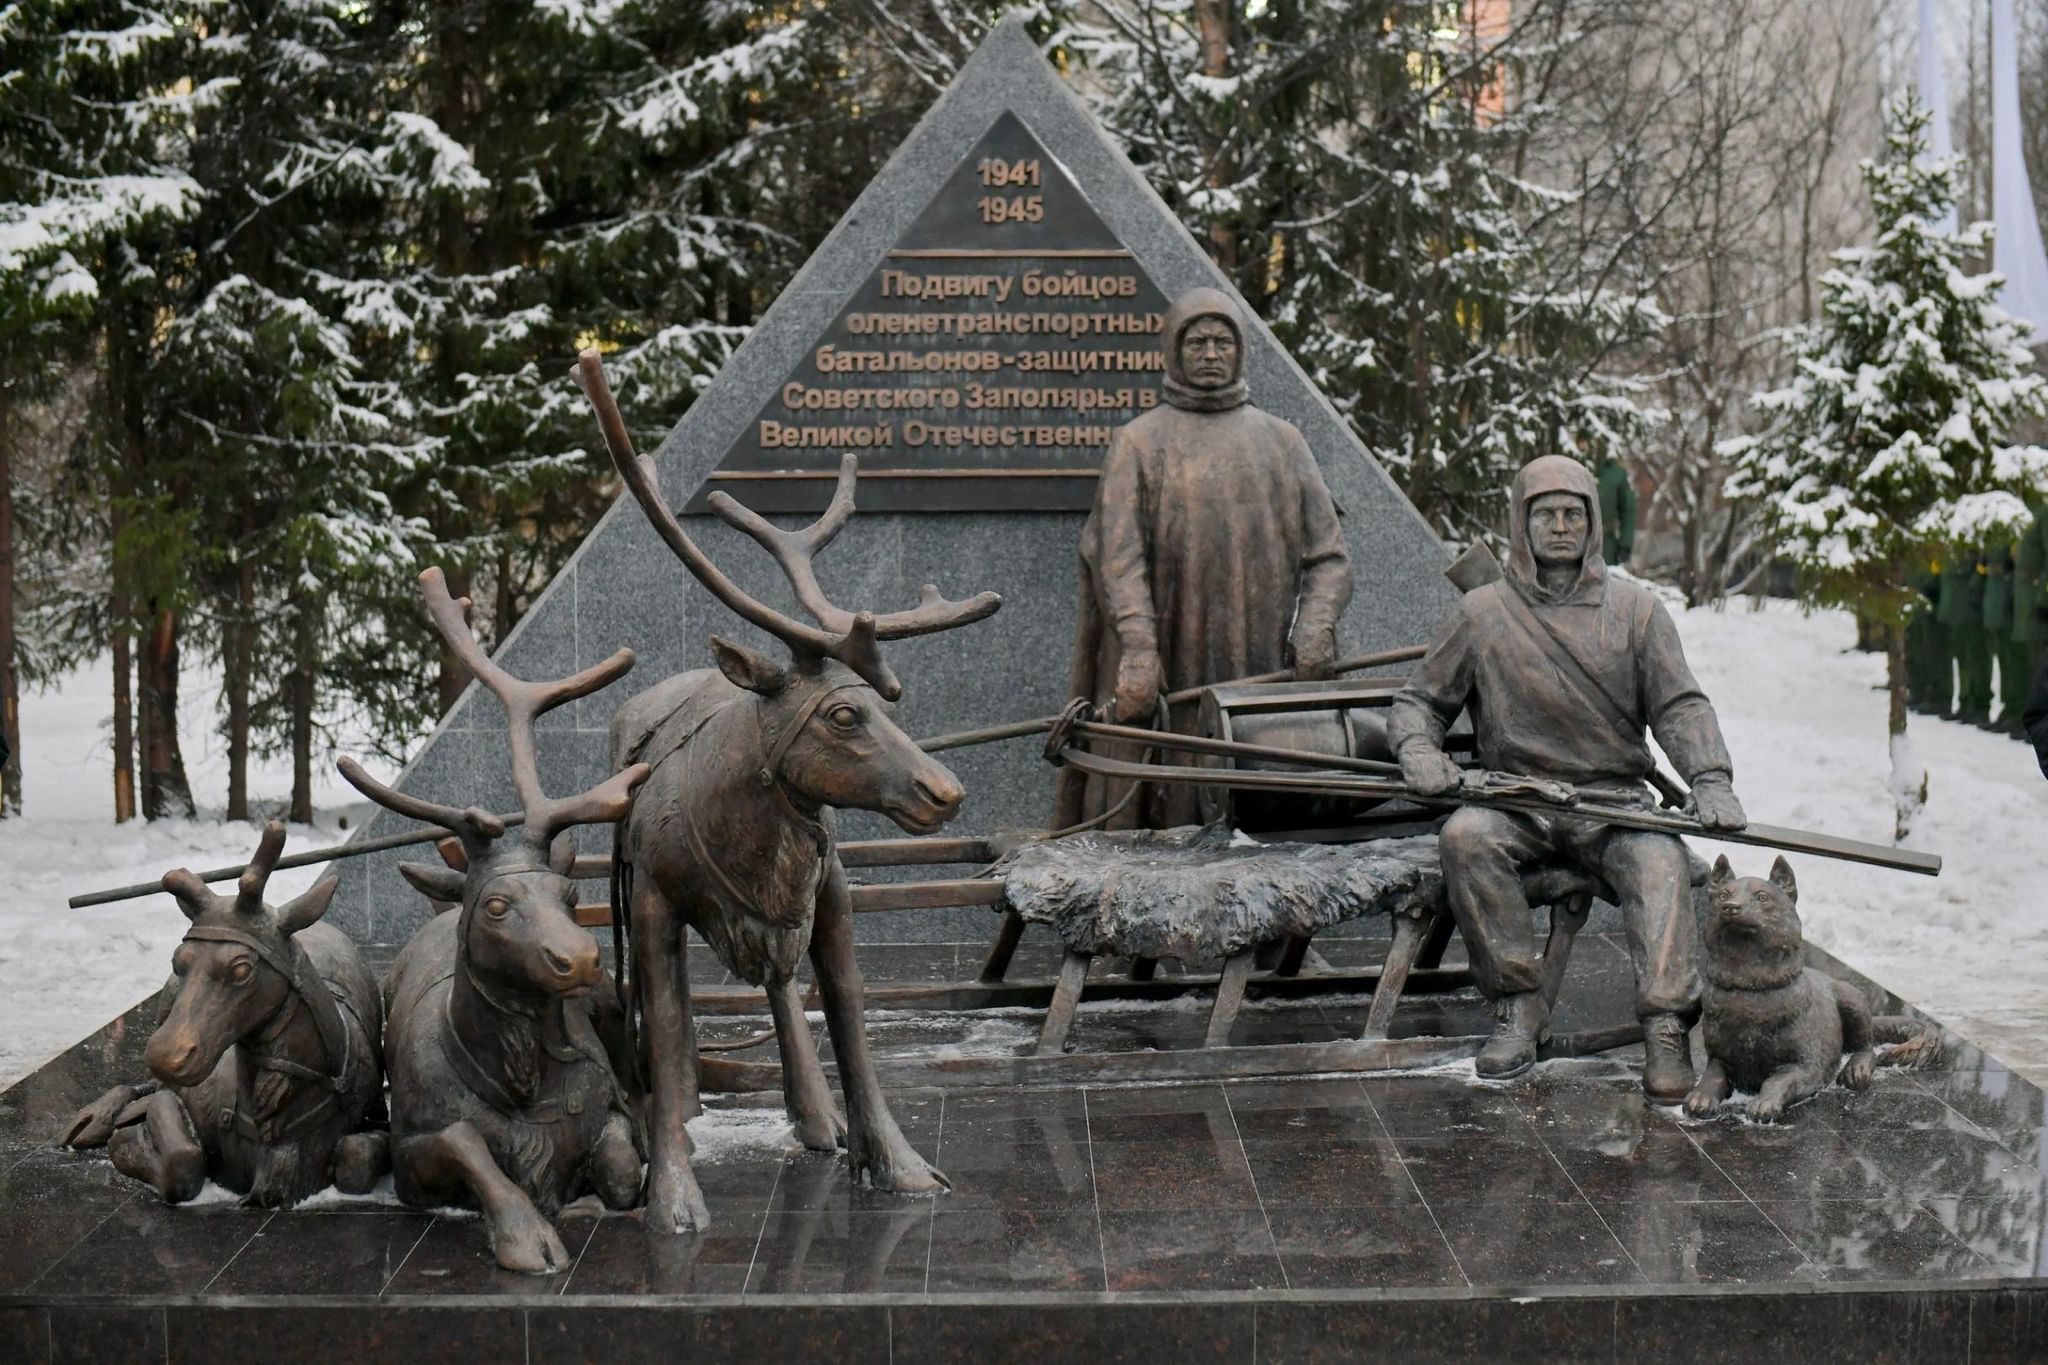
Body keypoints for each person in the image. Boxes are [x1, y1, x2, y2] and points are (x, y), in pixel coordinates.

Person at [1386, 455, 1747, 1099]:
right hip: (1514, 799)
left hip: (1611, 804)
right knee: (1466, 839)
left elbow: (1680, 706)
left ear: (1593, 523)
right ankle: (1518, 1007)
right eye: (1545, 513)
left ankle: (1666, 1026)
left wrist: (1710, 778)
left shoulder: (1637, 612)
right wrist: (1419, 751)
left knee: (1661, 862)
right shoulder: (1482, 613)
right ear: (1521, 524)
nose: (1559, 525)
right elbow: (1421, 702)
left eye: (1572, 513)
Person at [1052, 286, 1353, 831]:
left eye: (1222, 342)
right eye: (1197, 342)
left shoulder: (1283, 443)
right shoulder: (1138, 444)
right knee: (1163, 803)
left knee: (1257, 806)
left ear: (1240, 352)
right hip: (1169, 661)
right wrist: (1139, 648)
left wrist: (1316, 625)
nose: (1211, 354)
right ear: (1173, 350)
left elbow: (1329, 556)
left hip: (1258, 661)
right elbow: (1117, 560)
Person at [1596, 454, 1637, 569]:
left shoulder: (1616, 472)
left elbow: (1628, 510)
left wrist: (1625, 545)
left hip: (1606, 547)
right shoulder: (1566, 466)